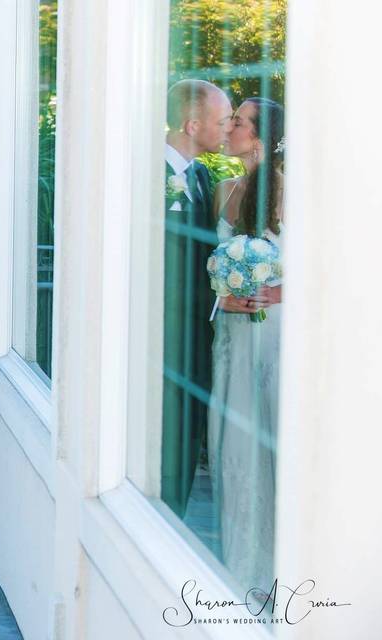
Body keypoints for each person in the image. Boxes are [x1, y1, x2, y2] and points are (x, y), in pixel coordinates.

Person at [208, 97, 285, 594]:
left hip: (276, 335)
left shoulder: (292, 190)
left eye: (238, 120)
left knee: (273, 441)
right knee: (234, 444)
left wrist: (282, 291)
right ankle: (241, 567)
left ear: (258, 137)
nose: (229, 125)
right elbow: (213, 272)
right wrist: (223, 298)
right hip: (233, 335)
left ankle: (283, 568)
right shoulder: (221, 190)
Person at [162, 79, 234, 516]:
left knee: (189, 430)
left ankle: (176, 516)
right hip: (158, 336)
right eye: (222, 121)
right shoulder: (142, 173)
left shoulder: (203, 175)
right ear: (192, 125)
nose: (228, 129)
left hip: (196, 334)